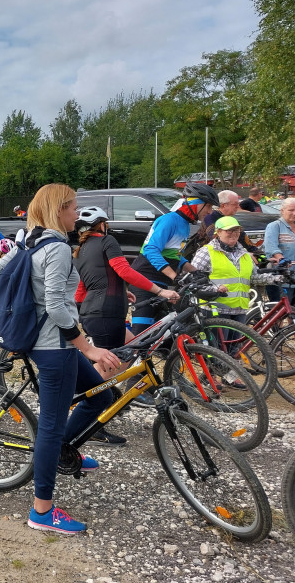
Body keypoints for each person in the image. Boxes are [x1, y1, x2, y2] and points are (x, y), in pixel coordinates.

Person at [16, 185, 121, 535]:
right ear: (58, 210)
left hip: (53, 344)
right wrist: (88, 348)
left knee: (101, 396)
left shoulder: (31, 241)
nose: (77, 214)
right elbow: (56, 307)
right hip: (55, 348)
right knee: (50, 426)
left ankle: (64, 448)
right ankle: (42, 511)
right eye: (73, 207)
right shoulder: (58, 247)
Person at [72, 206, 180, 446]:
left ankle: (96, 393)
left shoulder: (80, 249)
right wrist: (160, 290)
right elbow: (124, 270)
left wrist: (121, 292)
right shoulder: (107, 241)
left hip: (95, 313)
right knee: (110, 365)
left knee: (132, 348)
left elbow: (84, 287)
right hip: (106, 314)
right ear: (102, 225)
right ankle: (89, 417)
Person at [128, 182, 218, 334]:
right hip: (144, 280)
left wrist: (194, 270)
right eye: (208, 206)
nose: (210, 211)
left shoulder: (185, 224)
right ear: (195, 203)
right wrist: (174, 276)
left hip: (161, 282)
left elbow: (174, 254)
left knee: (165, 333)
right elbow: (151, 250)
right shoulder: (169, 220)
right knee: (141, 333)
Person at [191, 216, 279, 319]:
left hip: (239, 310)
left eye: (237, 230)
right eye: (229, 230)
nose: (234, 233)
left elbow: (253, 277)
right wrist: (215, 288)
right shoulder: (206, 252)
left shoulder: (244, 254)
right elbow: (193, 280)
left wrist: (277, 278)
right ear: (218, 232)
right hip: (214, 310)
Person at [264, 198, 295, 300]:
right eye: (291, 210)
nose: (294, 213)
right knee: (283, 308)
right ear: (282, 211)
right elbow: (271, 247)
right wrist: (281, 259)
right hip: (281, 279)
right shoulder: (274, 226)